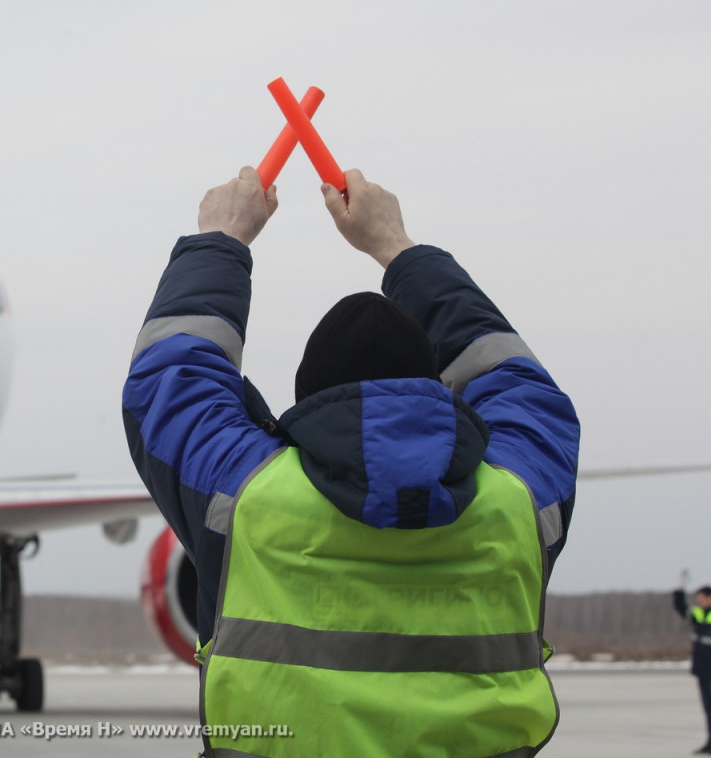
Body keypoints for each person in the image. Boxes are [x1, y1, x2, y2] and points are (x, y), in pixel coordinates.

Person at [123, 166, 580, 757]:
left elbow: (169, 380)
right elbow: (521, 387)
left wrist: (222, 238)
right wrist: (397, 247)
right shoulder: (518, 501)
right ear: (436, 386)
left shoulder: (247, 497)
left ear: (310, 398)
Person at [674, 582, 711, 753]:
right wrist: (678, 594)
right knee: (709, 710)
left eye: (701, 599)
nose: (699, 602)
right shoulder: (700, 614)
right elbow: (683, 611)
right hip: (703, 670)